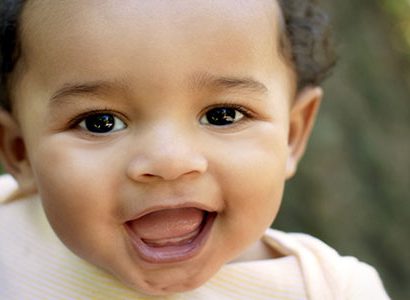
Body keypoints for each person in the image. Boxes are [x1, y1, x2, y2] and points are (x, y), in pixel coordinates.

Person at [0, 0, 390, 299]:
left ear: (292, 134)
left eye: (223, 115)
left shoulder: (332, 290)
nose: (169, 161)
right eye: (99, 123)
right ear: (20, 152)